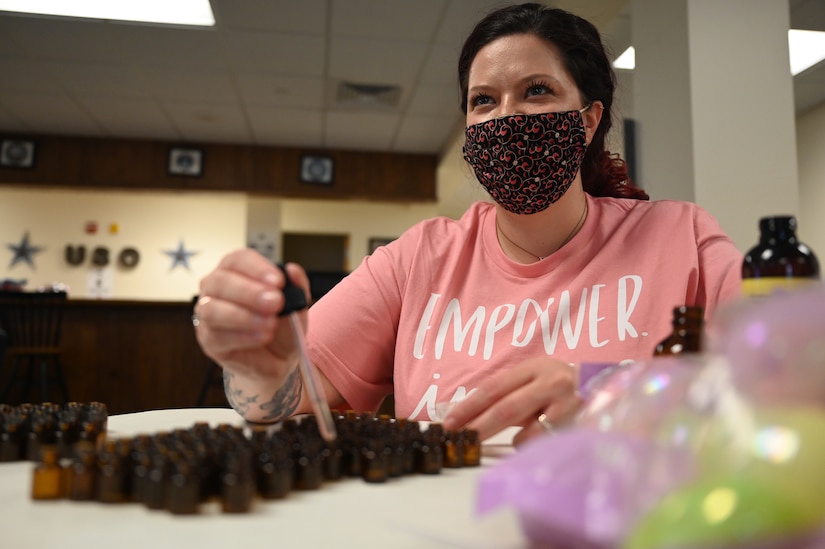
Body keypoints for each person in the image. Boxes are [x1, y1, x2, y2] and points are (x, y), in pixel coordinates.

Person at [193, 3, 742, 446]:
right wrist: (257, 373)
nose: (506, 116)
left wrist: (609, 395)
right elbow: (285, 406)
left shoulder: (682, 238)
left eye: (536, 90)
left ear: (588, 120)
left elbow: (789, 389)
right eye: (484, 100)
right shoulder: (418, 259)